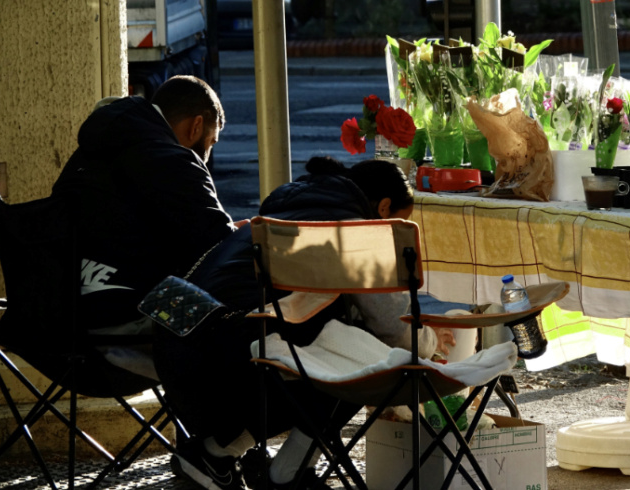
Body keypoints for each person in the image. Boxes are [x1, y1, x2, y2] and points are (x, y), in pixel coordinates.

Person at [155, 156, 454, 490]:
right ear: (383, 208)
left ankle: (213, 456)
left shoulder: (280, 213)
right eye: (399, 223)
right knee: (359, 362)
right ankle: (289, 473)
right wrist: (429, 343)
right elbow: (392, 328)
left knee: (316, 341)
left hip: (179, 363)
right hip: (233, 370)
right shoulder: (351, 230)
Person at [53, 75, 236, 334]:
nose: (206, 156)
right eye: (210, 142)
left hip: (63, 308)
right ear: (196, 126)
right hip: (126, 308)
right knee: (232, 324)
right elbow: (218, 247)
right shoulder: (175, 160)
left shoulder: (93, 151)